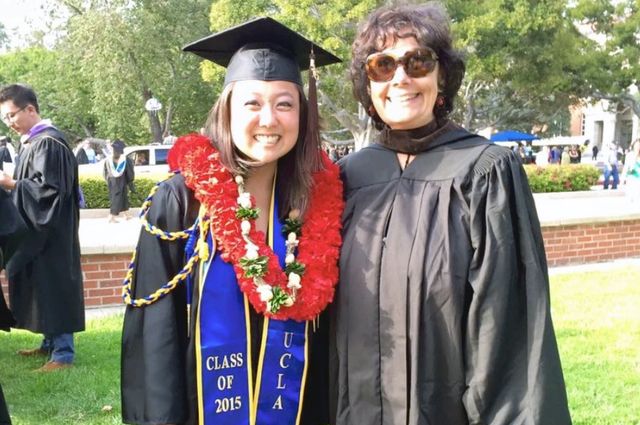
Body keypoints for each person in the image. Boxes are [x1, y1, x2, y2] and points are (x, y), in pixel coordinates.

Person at [331, 3, 572, 424]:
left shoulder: (485, 171)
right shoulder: (349, 177)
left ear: (441, 75)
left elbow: (507, 332)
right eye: (382, 66)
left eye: (417, 61)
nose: (401, 78)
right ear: (367, 85)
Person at [120, 17, 343, 425]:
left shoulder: (314, 202)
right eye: (252, 103)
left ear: (302, 114)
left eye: (285, 104)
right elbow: (155, 340)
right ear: (227, 110)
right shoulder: (182, 201)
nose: (269, 119)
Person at [0, 84, 85, 372]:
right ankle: (49, 345)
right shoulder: (33, 143)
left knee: (55, 285)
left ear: (31, 109)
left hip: (53, 232)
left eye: (12, 116)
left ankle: (63, 355)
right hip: (39, 231)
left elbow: (49, 192)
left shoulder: (49, 142)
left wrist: (11, 184)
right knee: (42, 286)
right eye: (5, 119)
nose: (10, 123)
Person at [103, 139, 135, 223]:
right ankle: (111, 217)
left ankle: (126, 215)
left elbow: (104, 173)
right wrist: (130, 181)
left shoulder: (108, 160)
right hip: (122, 181)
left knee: (122, 197)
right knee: (116, 199)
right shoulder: (125, 160)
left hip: (112, 182)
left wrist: (109, 180)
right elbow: (130, 172)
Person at [621, 138, 640, 203]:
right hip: (632, 178)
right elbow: (626, 168)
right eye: (636, 145)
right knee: (630, 198)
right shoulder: (630, 155)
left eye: (639, 145)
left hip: (638, 180)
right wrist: (622, 179)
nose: (638, 147)